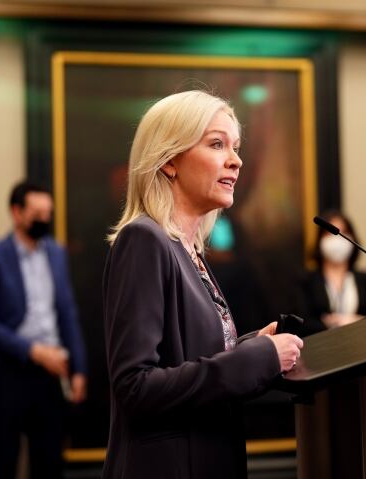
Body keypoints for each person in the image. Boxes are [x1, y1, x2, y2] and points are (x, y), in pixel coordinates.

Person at [101, 90, 303, 479]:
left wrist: (249, 346)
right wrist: (258, 358)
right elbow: (135, 387)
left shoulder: (188, 249)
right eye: (217, 144)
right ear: (169, 160)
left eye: (236, 147)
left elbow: (186, 362)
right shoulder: (144, 240)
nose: (236, 160)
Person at [0, 182, 87, 479]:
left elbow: (68, 312)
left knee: (49, 464)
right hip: (7, 373)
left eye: (47, 213)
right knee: (4, 464)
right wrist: (33, 352)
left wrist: (78, 370)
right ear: (16, 212)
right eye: (36, 213)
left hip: (51, 375)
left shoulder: (56, 253)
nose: (43, 219)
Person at [297, 210, 366, 336]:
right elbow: (302, 323)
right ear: (320, 239)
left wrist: (354, 321)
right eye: (329, 233)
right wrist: (331, 325)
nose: (336, 239)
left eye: (343, 232)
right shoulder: (305, 281)